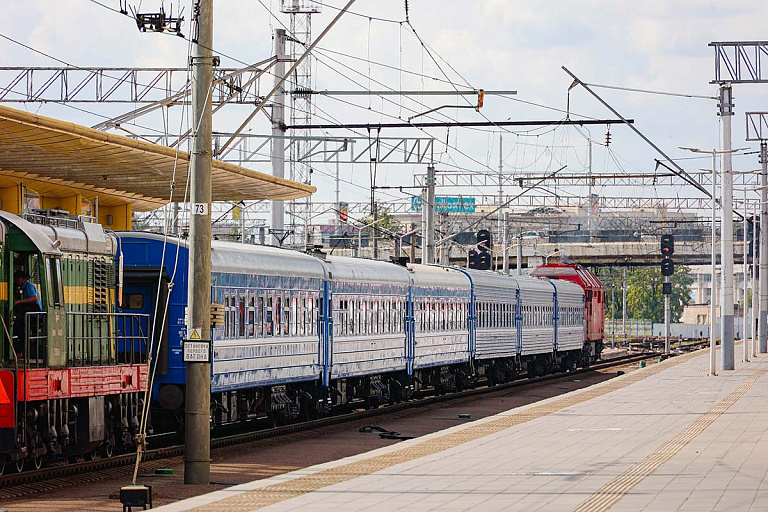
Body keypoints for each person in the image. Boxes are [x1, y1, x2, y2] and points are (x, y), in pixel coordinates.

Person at [13, 270, 42, 357]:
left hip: (34, 316)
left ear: (20, 279)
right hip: (33, 315)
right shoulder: (26, 287)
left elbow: (34, 298)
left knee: (20, 329)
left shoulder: (29, 286)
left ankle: (22, 351)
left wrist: (19, 302)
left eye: (16, 280)